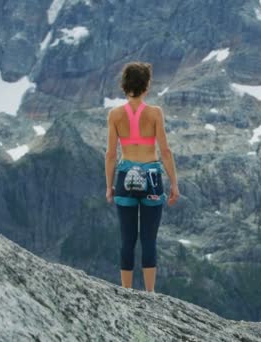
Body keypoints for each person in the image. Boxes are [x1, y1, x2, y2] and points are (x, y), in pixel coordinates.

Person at [104, 61, 180, 292]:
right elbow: (165, 151)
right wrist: (174, 183)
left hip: (125, 176)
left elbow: (110, 154)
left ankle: (126, 292)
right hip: (151, 177)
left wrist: (109, 186)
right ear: (147, 86)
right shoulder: (155, 113)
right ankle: (150, 294)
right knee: (149, 240)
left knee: (127, 240)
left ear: (125, 85)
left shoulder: (115, 115)